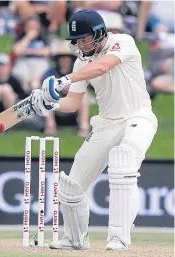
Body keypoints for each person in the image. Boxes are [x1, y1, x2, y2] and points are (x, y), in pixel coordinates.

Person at [30, 10, 158, 251]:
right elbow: (73, 103)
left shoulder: (123, 42)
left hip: (138, 118)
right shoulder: (81, 63)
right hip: (106, 124)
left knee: (124, 162)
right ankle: (75, 239)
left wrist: (64, 80)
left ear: (100, 34)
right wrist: (50, 105)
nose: (79, 44)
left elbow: (102, 68)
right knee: (71, 186)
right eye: (76, 40)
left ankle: (119, 238)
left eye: (84, 38)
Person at [42, 40, 90, 137]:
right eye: (61, 58)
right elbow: (43, 86)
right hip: (55, 107)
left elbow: (84, 85)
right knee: (46, 95)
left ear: (71, 59)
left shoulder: (76, 71)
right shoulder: (50, 72)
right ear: (58, 59)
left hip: (73, 105)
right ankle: (50, 127)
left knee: (84, 95)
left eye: (66, 57)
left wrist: (69, 88)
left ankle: (84, 127)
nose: (64, 60)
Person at [12, 16, 50, 92]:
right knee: (22, 78)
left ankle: (36, 95)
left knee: (35, 81)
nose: (33, 29)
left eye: (35, 27)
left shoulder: (44, 38)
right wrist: (28, 37)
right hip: (24, 61)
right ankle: (24, 95)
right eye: (30, 27)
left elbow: (47, 52)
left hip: (40, 61)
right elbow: (17, 51)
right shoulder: (20, 38)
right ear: (25, 28)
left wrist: (26, 51)